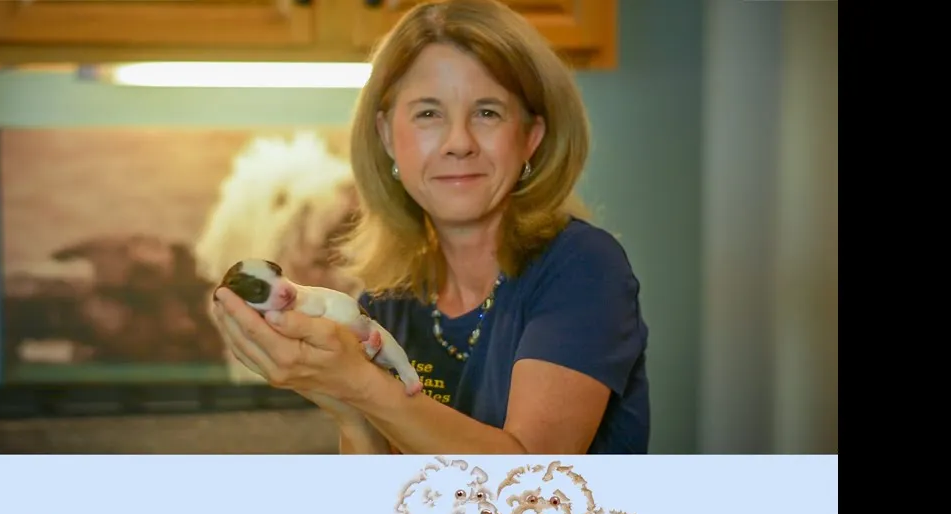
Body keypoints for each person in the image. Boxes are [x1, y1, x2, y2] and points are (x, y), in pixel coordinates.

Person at [211, 0, 650, 454]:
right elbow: (384, 507)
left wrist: (361, 384)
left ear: (531, 137)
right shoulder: (386, 302)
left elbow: (528, 484)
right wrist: (343, 401)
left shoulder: (583, 268)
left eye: (487, 112)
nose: (458, 143)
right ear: (386, 136)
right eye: (428, 113)